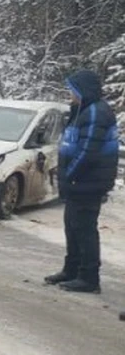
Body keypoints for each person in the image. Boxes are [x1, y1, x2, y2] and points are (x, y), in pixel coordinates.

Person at [45, 70, 120, 294]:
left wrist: (71, 175)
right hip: (78, 181)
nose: (70, 94)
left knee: (84, 229)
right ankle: (72, 269)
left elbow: (89, 151)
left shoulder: (96, 112)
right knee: (72, 226)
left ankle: (89, 277)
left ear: (82, 90)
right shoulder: (82, 110)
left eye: (73, 89)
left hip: (88, 182)